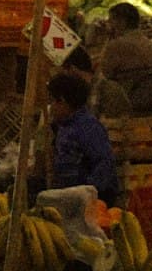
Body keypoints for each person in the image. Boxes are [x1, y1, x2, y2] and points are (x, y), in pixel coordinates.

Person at [48, 67, 119, 201]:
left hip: (91, 199)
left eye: (52, 101)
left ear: (62, 101)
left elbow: (104, 163)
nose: (51, 107)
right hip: (69, 195)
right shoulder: (63, 127)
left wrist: (88, 193)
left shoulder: (88, 127)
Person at [98, 1, 152, 115]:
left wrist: (107, 38)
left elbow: (104, 73)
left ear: (121, 22)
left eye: (111, 21)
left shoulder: (116, 45)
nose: (109, 25)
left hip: (133, 108)